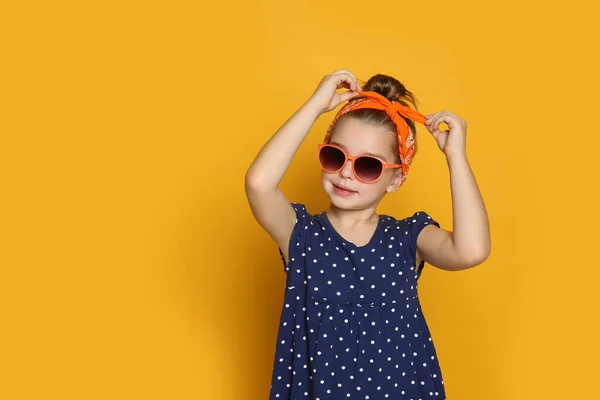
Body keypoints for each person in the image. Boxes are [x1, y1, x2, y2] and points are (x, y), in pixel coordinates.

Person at [245, 68, 491, 399]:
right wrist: (316, 105)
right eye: (335, 156)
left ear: (396, 179)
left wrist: (455, 157)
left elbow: (471, 250)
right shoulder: (300, 236)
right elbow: (259, 184)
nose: (346, 173)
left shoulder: (407, 239)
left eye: (367, 165)